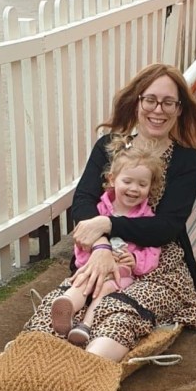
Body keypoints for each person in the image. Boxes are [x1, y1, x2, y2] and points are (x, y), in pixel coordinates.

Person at [24, 63, 196, 362]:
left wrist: (106, 223)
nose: (159, 110)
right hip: (100, 250)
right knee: (61, 305)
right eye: (151, 100)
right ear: (137, 101)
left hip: (159, 263)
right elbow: (83, 203)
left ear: (179, 109)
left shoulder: (187, 160)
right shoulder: (108, 147)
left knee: (121, 309)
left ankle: (83, 373)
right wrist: (101, 247)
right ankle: (27, 369)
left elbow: (166, 227)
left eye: (168, 102)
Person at [50, 143, 163, 345]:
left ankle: (85, 325)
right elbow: (82, 240)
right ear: (112, 179)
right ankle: (66, 308)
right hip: (93, 268)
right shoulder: (100, 211)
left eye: (142, 184)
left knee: (104, 291)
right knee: (81, 283)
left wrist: (136, 261)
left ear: (150, 186)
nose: (134, 189)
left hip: (121, 275)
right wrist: (90, 258)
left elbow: (153, 251)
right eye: (127, 181)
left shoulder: (147, 217)